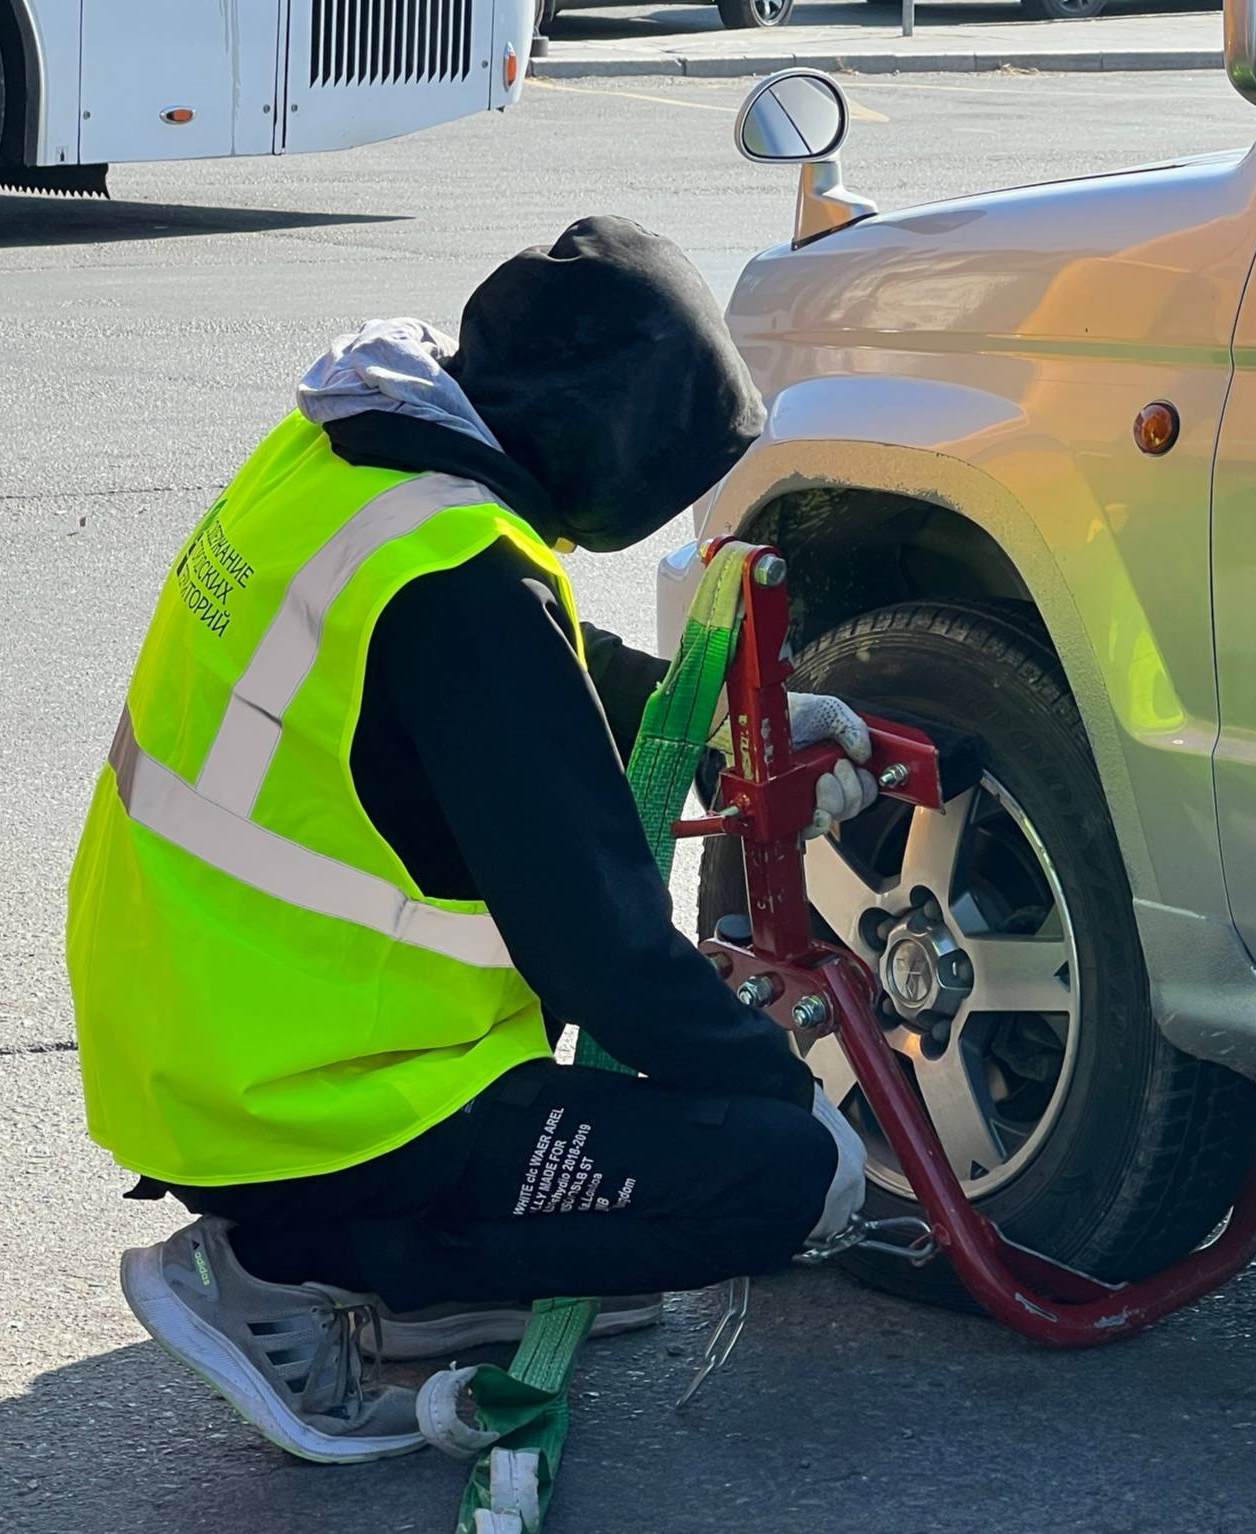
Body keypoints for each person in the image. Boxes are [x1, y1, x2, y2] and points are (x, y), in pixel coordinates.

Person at [66, 217, 873, 1466]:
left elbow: (503, 678)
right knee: (775, 1176)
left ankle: (447, 1273)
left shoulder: (347, 452)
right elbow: (603, 951)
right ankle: (283, 1279)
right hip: (314, 1117)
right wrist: (790, 1095)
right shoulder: (459, 583)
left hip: (200, 1031)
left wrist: (713, 718)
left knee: (681, 1146)